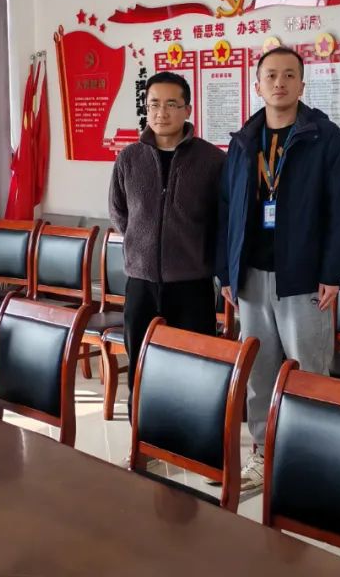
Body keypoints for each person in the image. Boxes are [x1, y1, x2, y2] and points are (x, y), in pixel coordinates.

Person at [217, 47, 340, 491]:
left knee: (308, 370)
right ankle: (263, 452)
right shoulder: (243, 140)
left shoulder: (324, 137)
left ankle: (314, 457)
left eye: (289, 75)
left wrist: (332, 272)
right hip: (251, 276)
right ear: (257, 85)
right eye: (271, 75)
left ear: (302, 84)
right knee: (259, 371)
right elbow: (227, 211)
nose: (280, 83)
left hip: (304, 276)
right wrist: (227, 273)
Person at [109, 72, 225, 421]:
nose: (161, 112)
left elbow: (221, 220)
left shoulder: (212, 160)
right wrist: (144, 245)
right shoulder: (129, 158)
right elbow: (119, 212)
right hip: (141, 283)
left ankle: (192, 437)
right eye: (154, 104)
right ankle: (140, 432)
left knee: (194, 366)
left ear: (187, 109)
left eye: (171, 104)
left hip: (192, 284)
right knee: (141, 364)